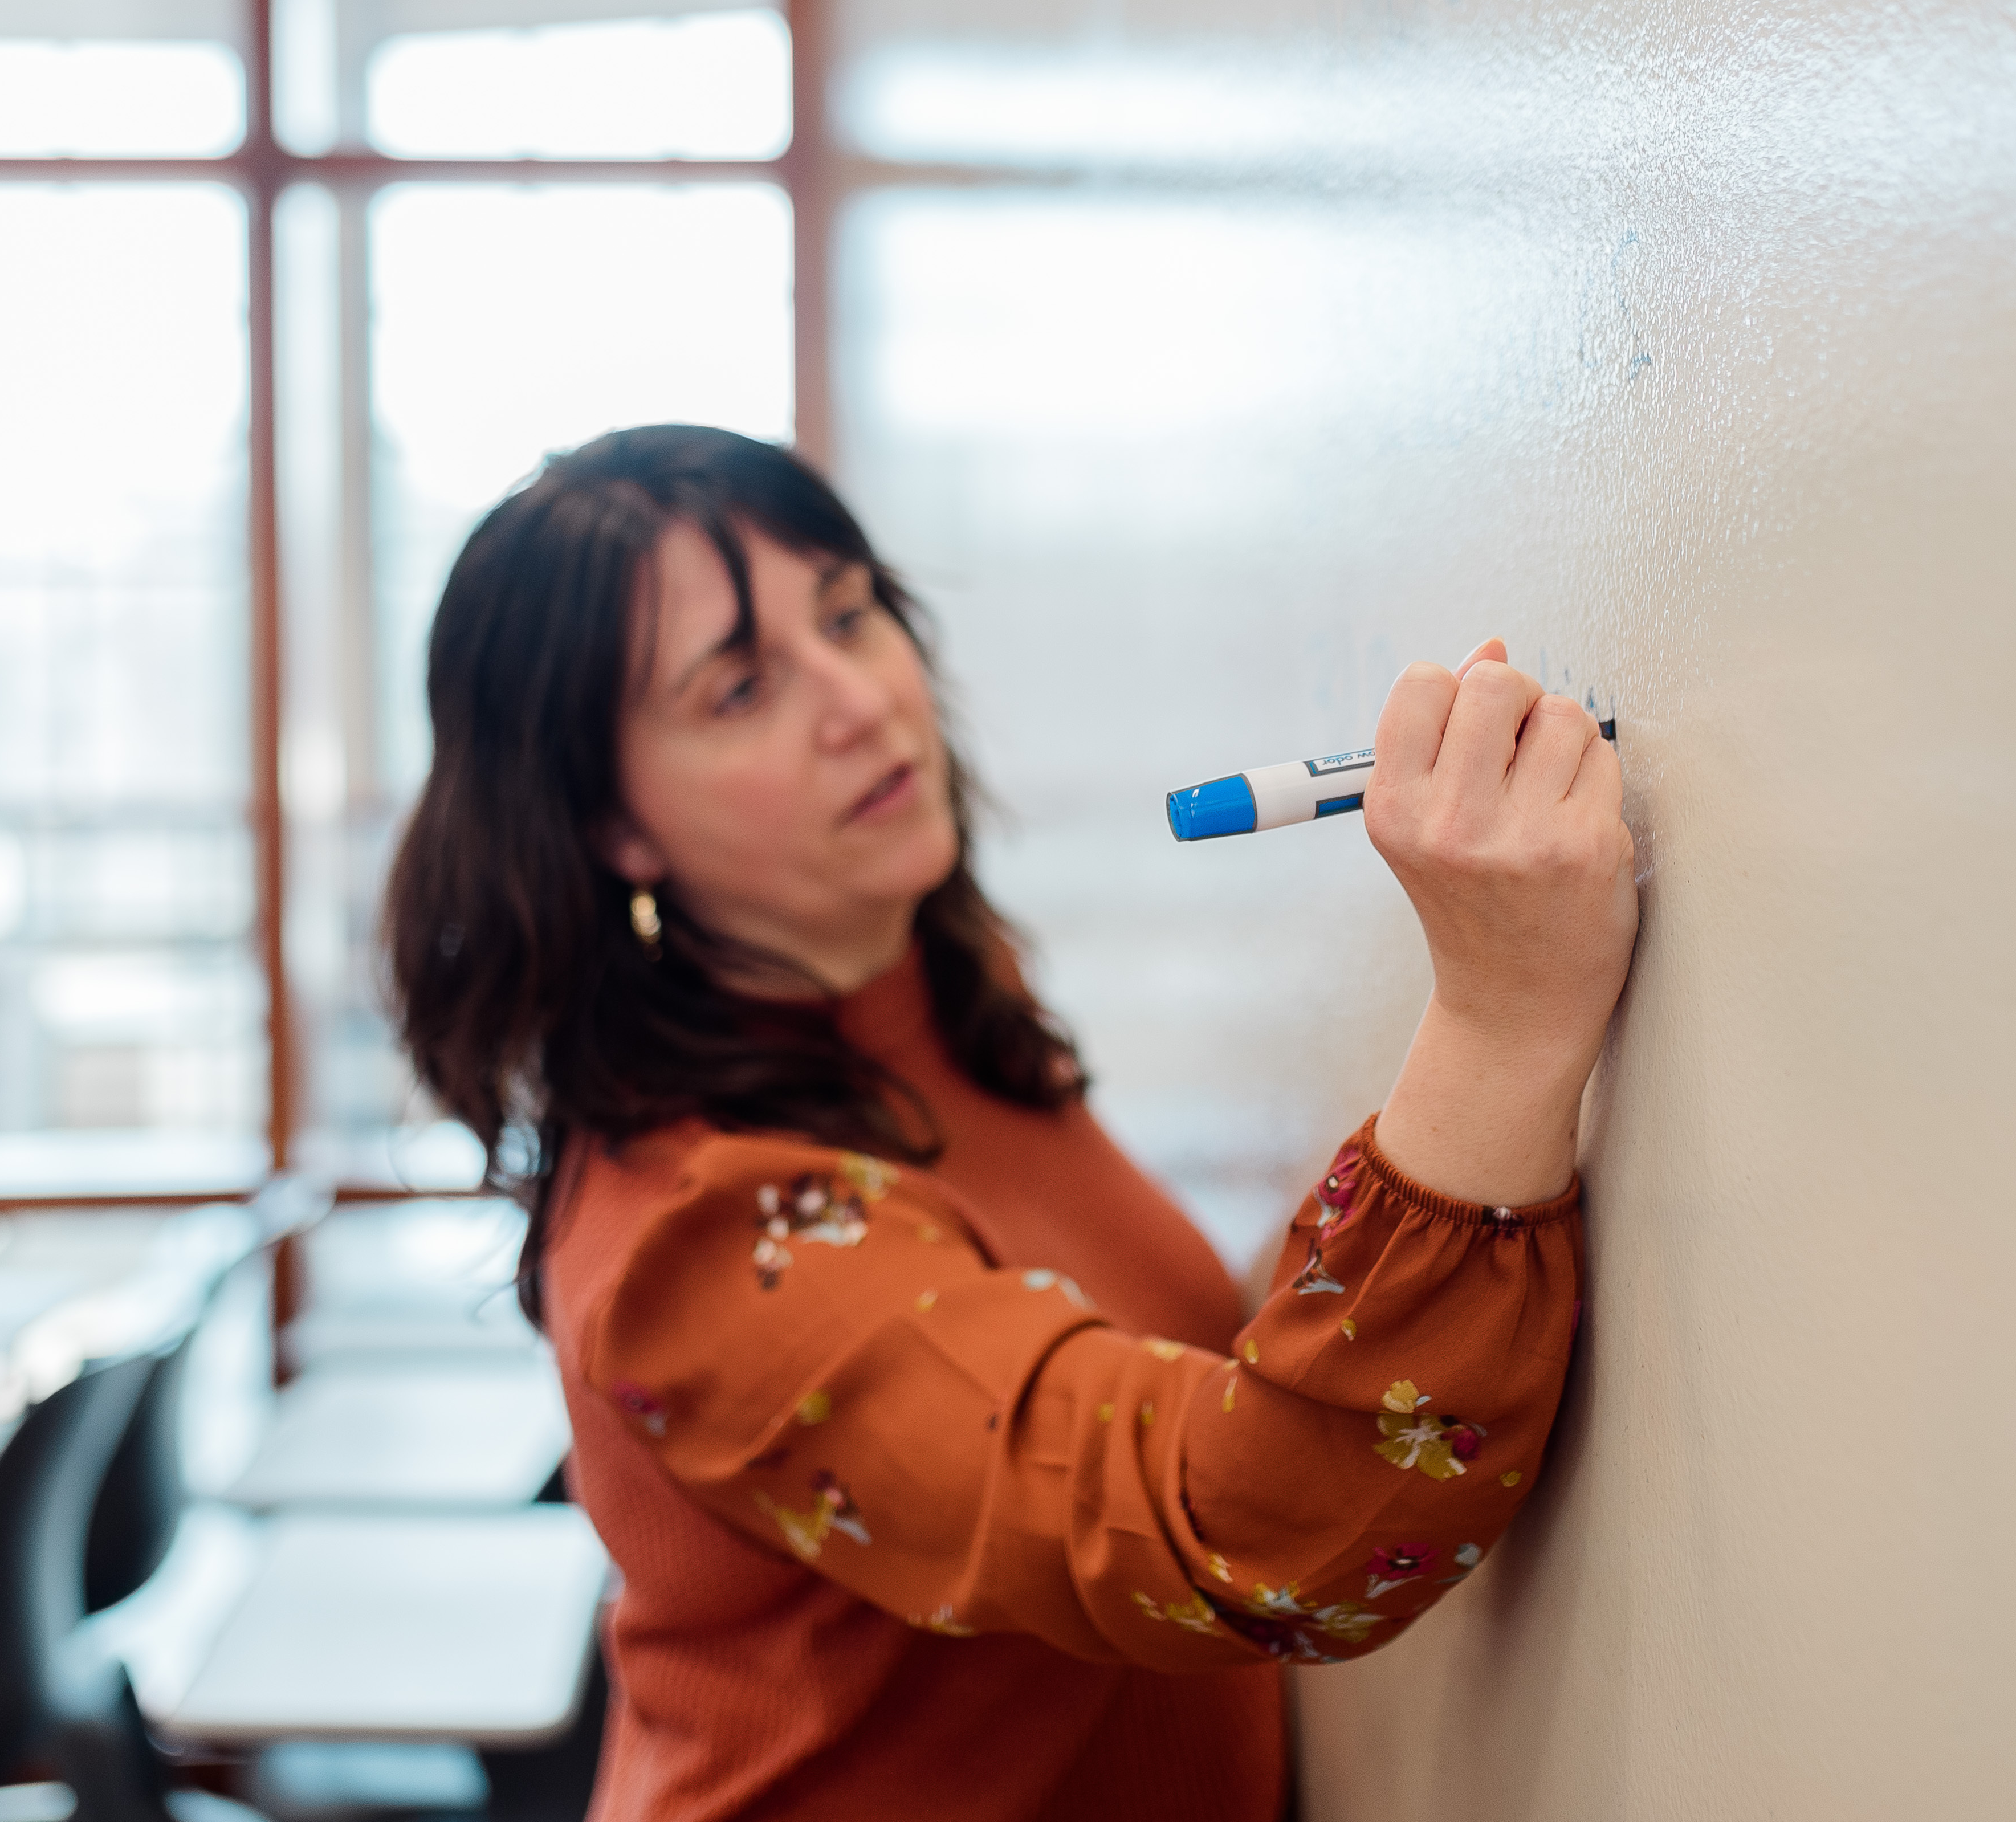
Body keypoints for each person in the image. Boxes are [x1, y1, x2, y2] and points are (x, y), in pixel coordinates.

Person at [383, 425, 1638, 1821]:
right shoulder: (708, 1240)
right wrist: (1505, 1017)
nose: (857, 700)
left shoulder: (928, 994)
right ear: (608, 825)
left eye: (849, 615)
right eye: (739, 688)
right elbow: (1252, 1533)